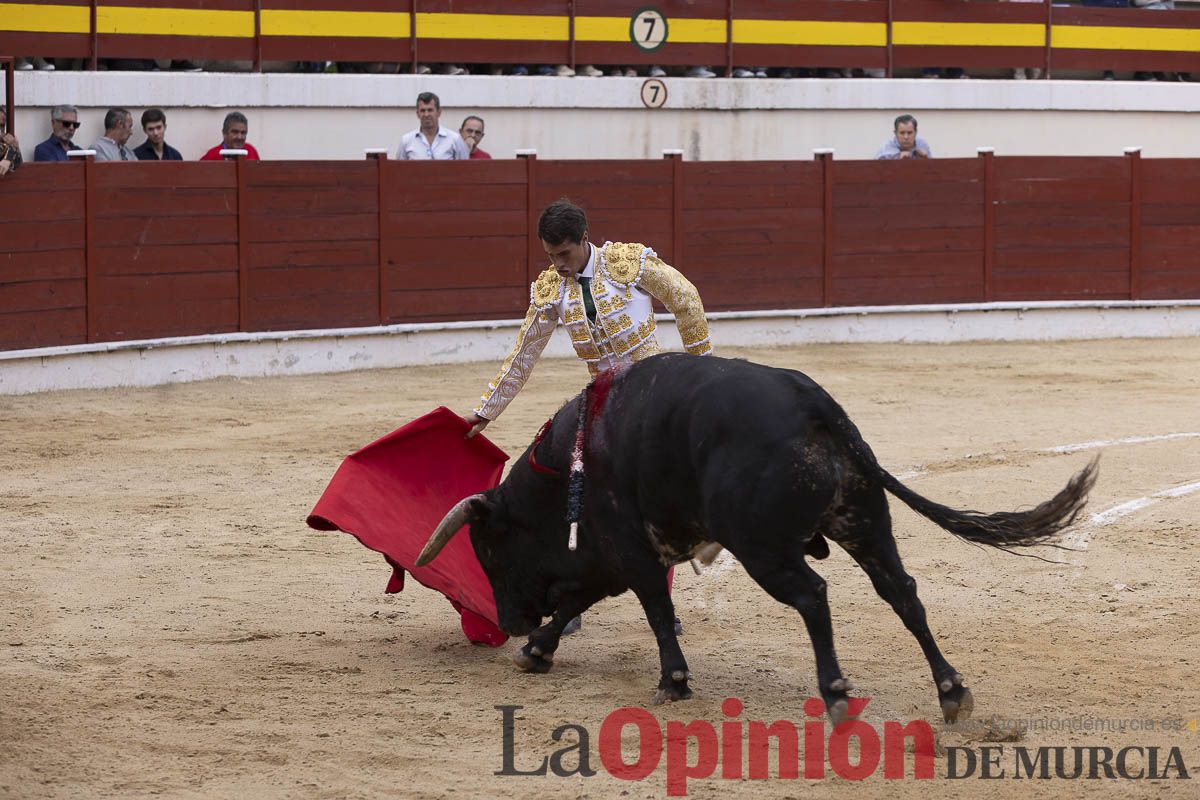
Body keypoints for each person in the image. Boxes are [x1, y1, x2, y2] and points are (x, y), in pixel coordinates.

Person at [464, 199, 713, 637]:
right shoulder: (550, 289)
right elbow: (523, 354)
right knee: (567, 493)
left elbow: (686, 299)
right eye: (550, 256)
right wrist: (486, 410)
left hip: (653, 396)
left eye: (564, 254)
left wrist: (703, 372)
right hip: (603, 404)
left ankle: (663, 604)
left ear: (584, 239)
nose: (558, 265)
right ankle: (568, 598)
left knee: (655, 500)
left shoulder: (626, 264)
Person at [396, 92, 469, 160]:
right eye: (423, 111)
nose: (426, 114)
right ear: (417, 114)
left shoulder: (455, 139)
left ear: (439, 112)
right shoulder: (406, 141)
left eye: (430, 110)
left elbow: (465, 167)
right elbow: (399, 168)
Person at [0, 107, 22, 177]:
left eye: (2, 126)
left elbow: (19, 168)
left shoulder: (6, 144)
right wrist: (9, 156)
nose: (1, 132)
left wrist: (16, 147)